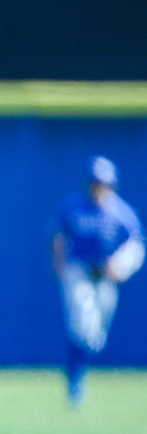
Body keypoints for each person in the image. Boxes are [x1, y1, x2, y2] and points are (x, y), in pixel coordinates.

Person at [51, 155, 143, 406]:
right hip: (79, 270)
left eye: (104, 183)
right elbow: (59, 236)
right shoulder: (75, 206)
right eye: (95, 182)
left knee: (95, 336)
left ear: (112, 184)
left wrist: (121, 266)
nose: (99, 187)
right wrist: (59, 266)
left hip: (106, 277)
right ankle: (75, 384)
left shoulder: (122, 212)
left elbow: (136, 246)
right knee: (82, 322)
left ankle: (74, 371)